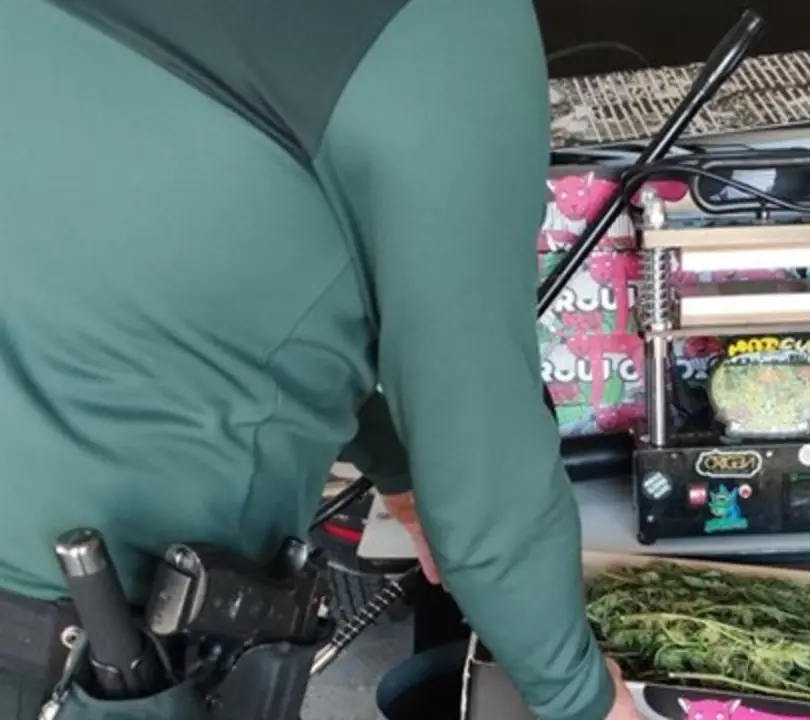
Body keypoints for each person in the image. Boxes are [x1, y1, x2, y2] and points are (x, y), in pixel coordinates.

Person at [0, 1, 639, 719]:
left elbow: (248, 272)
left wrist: (400, 471)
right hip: (98, 663)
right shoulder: (448, 27)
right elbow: (483, 470)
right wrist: (583, 699)